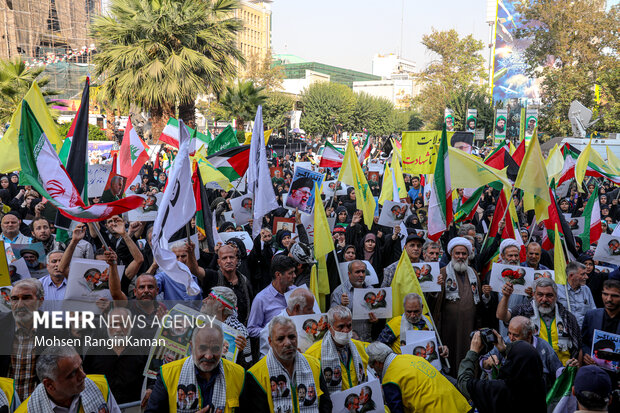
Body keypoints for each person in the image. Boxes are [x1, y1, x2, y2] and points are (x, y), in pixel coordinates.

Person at [146, 323, 245, 413]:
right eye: (203, 348)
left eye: (215, 349)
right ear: (192, 347)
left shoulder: (239, 375)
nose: (209, 356)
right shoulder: (168, 374)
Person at [241, 316, 332, 413]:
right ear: (270, 342)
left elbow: (325, 405)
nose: (288, 343)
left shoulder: (315, 365)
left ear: (297, 336)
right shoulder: (256, 375)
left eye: (291, 337)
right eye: (281, 339)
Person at [430, 237, 491, 371]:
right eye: (457, 253)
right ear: (451, 254)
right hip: (449, 327)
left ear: (468, 255)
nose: (460, 257)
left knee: (469, 356)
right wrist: (436, 287)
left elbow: (480, 301)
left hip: (470, 326)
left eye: (464, 254)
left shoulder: (474, 273)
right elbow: (434, 302)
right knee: (451, 359)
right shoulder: (442, 273)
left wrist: (486, 295)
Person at [497, 277, 580, 365]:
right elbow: (502, 316)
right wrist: (506, 297)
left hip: (563, 371)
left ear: (556, 296)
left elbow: (578, 346)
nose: (544, 299)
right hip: (531, 367)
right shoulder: (523, 311)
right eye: (540, 294)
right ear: (533, 295)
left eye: (549, 295)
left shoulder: (568, 317)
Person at [366, 342, 470, 413]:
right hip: (460, 405)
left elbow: (396, 410)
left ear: (378, 363)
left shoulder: (390, 379)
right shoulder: (411, 357)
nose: (374, 370)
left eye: (372, 367)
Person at [15, 346, 121, 413]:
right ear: (49, 385)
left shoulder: (99, 386)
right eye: (73, 373)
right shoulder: (26, 410)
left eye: (81, 366)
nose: (83, 375)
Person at [457, 335, 546, 413]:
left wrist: (473, 352)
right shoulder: (539, 386)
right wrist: (504, 351)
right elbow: (520, 363)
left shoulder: (501, 390)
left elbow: (463, 382)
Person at [479, 316, 563, 391]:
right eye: (509, 333)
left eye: (516, 335)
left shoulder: (544, 348)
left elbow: (559, 373)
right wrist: (487, 362)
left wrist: (568, 368)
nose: (511, 338)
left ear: (529, 334)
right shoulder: (504, 342)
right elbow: (483, 361)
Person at [305, 306, 368, 392]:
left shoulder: (360, 347)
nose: (345, 330)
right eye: (341, 327)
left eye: (349, 326)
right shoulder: (314, 353)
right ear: (330, 327)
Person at [378, 293, 448, 360]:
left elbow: (435, 342)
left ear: (422, 307)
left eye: (416, 311)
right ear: (404, 308)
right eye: (409, 312)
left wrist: (441, 348)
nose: (412, 315)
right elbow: (379, 348)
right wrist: (395, 356)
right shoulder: (394, 324)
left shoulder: (429, 320)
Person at [247, 255, 298, 340]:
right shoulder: (261, 299)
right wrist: (273, 333)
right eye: (290, 273)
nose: (294, 276)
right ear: (278, 275)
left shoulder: (296, 292)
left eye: (294, 272)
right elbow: (251, 330)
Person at [203, 244, 253, 324]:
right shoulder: (213, 277)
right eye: (224, 258)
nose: (229, 261)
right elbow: (196, 271)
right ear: (219, 262)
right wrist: (191, 253)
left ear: (236, 260)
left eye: (231, 257)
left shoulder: (245, 281)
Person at [258, 288, 315, 357]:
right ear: (297, 308)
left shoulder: (310, 324)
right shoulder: (269, 329)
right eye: (309, 309)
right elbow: (265, 361)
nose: (313, 312)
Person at [331, 260, 377, 342]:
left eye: (363, 272)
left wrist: (375, 319)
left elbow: (376, 314)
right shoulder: (339, 292)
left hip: (367, 340)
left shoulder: (371, 290)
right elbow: (332, 319)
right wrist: (342, 306)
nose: (361, 275)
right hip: (348, 341)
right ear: (349, 274)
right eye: (357, 272)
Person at [581, 279, 620, 361]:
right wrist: (587, 354)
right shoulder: (591, 316)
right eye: (605, 294)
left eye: (614, 296)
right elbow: (583, 342)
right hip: (593, 368)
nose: (609, 299)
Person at [556, 261, 595, 327]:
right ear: (571, 275)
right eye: (583, 274)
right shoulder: (557, 289)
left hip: (582, 332)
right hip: (564, 332)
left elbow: (593, 312)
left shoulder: (586, 289)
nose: (586, 277)